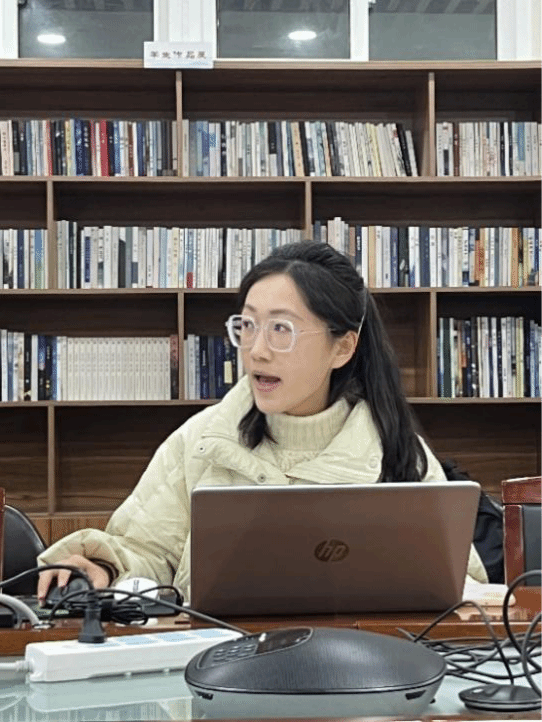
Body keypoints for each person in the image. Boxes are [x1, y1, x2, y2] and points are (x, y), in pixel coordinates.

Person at [37, 240, 488, 601]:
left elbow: (460, 582)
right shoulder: (201, 440)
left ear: (343, 347)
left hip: (366, 668)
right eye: (248, 325)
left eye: (281, 329)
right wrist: (103, 566)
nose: (256, 350)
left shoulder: (397, 450)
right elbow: (144, 551)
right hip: (218, 661)